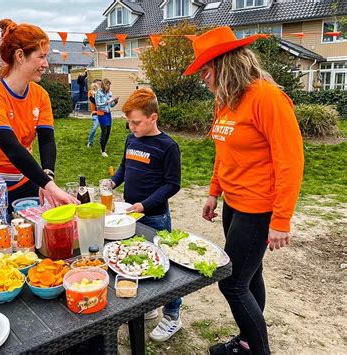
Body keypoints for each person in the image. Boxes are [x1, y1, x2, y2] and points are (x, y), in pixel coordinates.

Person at [184, 26, 304, 354]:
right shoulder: (226, 102)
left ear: (224, 65)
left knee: (232, 283)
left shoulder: (267, 97)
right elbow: (225, 152)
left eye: (205, 72)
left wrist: (281, 219)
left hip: (258, 208)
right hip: (234, 204)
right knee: (250, 277)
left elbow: (290, 162)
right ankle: (248, 343)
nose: (203, 80)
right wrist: (213, 191)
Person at [0, 19, 76, 209]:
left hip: (24, 177)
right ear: (20, 56)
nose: (46, 64)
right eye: (41, 57)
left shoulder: (40, 95)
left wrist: (47, 177)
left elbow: (46, 140)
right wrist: (51, 187)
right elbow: (11, 148)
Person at [111, 88, 182, 342]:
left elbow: (173, 184)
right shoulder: (132, 139)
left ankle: (173, 315)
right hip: (131, 215)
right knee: (139, 259)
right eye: (129, 122)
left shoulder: (168, 146)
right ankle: (149, 303)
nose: (131, 127)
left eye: (136, 122)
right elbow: (123, 167)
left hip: (154, 217)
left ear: (153, 118)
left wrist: (145, 205)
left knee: (166, 266)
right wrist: (112, 182)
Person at [95, 78, 119, 157]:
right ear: (104, 85)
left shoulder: (110, 93)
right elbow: (98, 104)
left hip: (108, 114)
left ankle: (103, 146)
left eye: (109, 85)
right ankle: (102, 151)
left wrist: (115, 101)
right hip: (101, 113)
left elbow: (111, 105)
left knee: (108, 132)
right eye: (107, 85)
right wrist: (107, 102)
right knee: (104, 131)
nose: (109, 87)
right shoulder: (98, 92)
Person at [86, 79, 101, 148]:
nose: (99, 85)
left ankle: (102, 141)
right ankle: (90, 142)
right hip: (95, 113)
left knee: (104, 129)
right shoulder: (91, 92)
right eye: (98, 83)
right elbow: (94, 100)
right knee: (94, 127)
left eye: (100, 84)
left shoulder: (101, 92)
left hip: (102, 113)